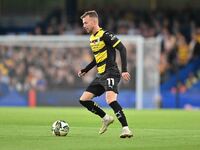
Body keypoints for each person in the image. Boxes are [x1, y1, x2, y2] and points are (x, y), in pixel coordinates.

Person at [78, 10, 133, 138]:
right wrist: (86, 69)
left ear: (93, 21)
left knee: (110, 99)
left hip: (111, 72)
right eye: (83, 23)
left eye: (86, 22)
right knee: (84, 99)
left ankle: (126, 129)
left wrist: (124, 69)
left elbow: (122, 48)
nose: (84, 25)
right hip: (100, 74)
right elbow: (97, 59)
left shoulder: (105, 35)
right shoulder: (92, 38)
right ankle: (106, 117)